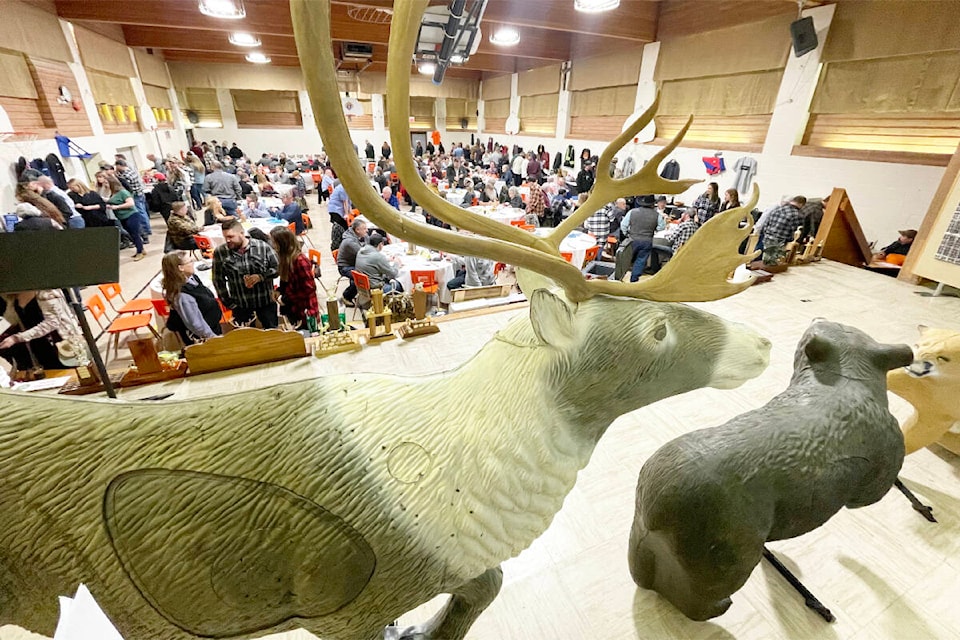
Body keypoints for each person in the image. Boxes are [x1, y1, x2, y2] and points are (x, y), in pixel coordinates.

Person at [212, 219, 279, 329]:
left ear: (242, 233)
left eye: (231, 237)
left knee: (273, 335)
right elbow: (218, 279)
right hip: (241, 306)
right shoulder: (221, 252)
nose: (228, 240)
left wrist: (261, 277)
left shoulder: (262, 247)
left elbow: (278, 268)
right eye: (225, 238)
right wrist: (229, 303)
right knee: (246, 339)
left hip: (265, 302)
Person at [0, 290, 84, 371]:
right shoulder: (14, 294)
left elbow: (53, 323)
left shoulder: (46, 291)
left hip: (60, 345)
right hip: (38, 346)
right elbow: (12, 318)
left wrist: (17, 338)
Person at [160, 251, 222, 344]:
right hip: (204, 340)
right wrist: (213, 338)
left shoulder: (192, 278)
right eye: (190, 262)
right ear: (180, 268)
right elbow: (195, 324)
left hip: (213, 328)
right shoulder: (182, 295)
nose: (193, 264)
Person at [270, 226, 319, 329]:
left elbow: (309, 289)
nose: (272, 245)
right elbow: (286, 281)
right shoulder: (285, 259)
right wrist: (279, 291)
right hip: (293, 309)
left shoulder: (300, 261)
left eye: (274, 242)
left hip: (305, 310)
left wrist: (287, 298)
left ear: (283, 243)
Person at [105, 174, 146, 261]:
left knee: (135, 234)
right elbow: (113, 200)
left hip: (131, 215)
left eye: (106, 183)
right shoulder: (113, 193)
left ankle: (139, 251)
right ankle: (141, 249)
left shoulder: (123, 192)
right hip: (122, 217)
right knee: (131, 234)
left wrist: (117, 207)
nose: (105, 185)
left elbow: (130, 203)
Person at [114, 159, 152, 239]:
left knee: (140, 213)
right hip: (140, 193)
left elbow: (126, 186)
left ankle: (146, 230)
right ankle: (148, 228)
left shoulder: (125, 175)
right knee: (143, 212)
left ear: (119, 165)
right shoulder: (132, 171)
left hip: (135, 195)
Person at [626, 195, 660, 282]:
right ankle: (634, 279)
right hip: (647, 240)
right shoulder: (657, 215)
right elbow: (661, 227)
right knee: (640, 261)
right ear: (652, 204)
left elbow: (623, 225)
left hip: (632, 239)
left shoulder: (632, 212)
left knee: (626, 258)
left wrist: (627, 234)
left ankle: (620, 276)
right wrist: (653, 229)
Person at [337, 218, 368, 306]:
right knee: (361, 277)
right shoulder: (350, 242)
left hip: (353, 263)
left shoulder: (354, 236)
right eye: (364, 229)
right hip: (345, 267)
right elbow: (363, 253)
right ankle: (346, 297)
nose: (367, 230)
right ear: (357, 230)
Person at [327, 182, 352, 251]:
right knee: (340, 227)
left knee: (342, 227)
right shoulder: (342, 188)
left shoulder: (346, 188)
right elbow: (345, 202)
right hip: (335, 210)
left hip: (337, 209)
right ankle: (337, 246)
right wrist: (347, 214)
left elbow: (348, 201)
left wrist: (350, 211)